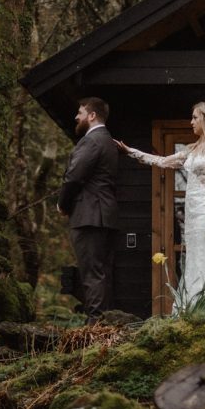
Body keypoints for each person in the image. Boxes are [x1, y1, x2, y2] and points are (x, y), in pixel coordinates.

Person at [116, 99, 205, 302]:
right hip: (191, 210)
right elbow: (162, 161)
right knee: (193, 255)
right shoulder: (192, 150)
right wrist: (131, 152)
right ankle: (195, 303)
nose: (191, 122)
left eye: (195, 118)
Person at [57, 97, 119, 323]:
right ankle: (104, 324)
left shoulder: (91, 141)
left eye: (80, 112)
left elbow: (74, 177)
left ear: (92, 116)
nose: (77, 116)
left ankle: (95, 326)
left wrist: (62, 204)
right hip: (105, 216)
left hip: (89, 216)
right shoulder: (109, 142)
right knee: (102, 273)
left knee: (91, 272)